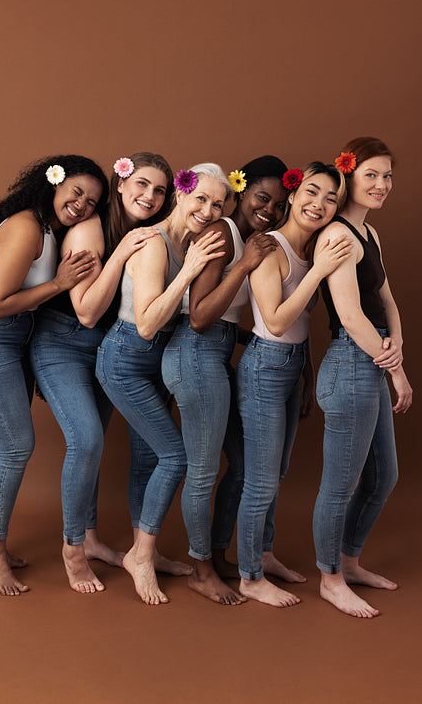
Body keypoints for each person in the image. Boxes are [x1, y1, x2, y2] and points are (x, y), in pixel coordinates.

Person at [0, 155, 102, 595]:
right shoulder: (27, 226)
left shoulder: (50, 230)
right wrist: (59, 283)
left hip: (13, 336)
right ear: (52, 183)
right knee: (16, 445)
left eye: (91, 201)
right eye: (76, 192)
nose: (82, 204)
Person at [30, 152, 176, 593]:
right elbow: (88, 312)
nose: (149, 196)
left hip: (101, 351)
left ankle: (91, 538)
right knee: (87, 439)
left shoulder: (147, 235)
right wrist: (120, 256)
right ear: (121, 182)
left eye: (159, 190)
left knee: (95, 443)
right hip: (62, 342)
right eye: (142, 185)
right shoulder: (90, 229)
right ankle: (73, 548)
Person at [96, 163, 230, 605]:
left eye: (218, 203)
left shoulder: (186, 242)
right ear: (180, 194)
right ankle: (141, 555)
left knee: (144, 462)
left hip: (152, 368)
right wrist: (190, 271)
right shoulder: (156, 245)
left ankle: (144, 553)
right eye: (201, 199)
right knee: (174, 456)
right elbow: (150, 325)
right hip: (124, 362)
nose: (209, 211)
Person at [161, 155, 290, 604]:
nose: (270, 210)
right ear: (241, 193)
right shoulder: (222, 232)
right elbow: (198, 318)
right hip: (194, 354)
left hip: (213, 354)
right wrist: (244, 264)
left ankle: (216, 556)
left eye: (279, 203)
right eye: (262, 197)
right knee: (203, 471)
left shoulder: (238, 235)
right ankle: (200, 570)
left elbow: (223, 322)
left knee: (241, 463)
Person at [236, 161, 352, 606]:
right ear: (294, 191)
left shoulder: (313, 248)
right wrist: (320, 270)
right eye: (313, 192)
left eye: (331, 200)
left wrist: (306, 379)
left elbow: (303, 327)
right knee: (260, 482)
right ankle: (248, 576)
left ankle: (263, 554)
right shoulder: (271, 248)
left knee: (277, 474)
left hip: (290, 367)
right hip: (264, 367)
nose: (319, 204)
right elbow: (278, 321)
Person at [312, 137, 412, 618]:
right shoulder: (336, 234)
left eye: (387, 175)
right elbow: (350, 315)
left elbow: (387, 302)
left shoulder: (369, 235)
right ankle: (330, 578)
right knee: (340, 484)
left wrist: (399, 364)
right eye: (371, 174)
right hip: (351, 363)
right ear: (347, 174)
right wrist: (393, 368)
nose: (381, 184)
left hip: (372, 360)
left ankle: (349, 562)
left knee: (383, 476)